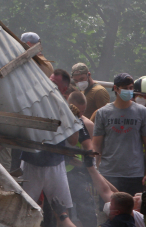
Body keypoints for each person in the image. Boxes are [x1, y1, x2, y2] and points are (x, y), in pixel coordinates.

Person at [20, 71, 80, 227]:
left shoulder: (66, 108)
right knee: (24, 209)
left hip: (55, 165)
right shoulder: (33, 100)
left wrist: (73, 118)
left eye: (54, 84)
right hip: (30, 163)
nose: (48, 86)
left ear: (64, 89)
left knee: (61, 211)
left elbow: (73, 141)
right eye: (49, 81)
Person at [93, 73, 146, 195]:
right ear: (116, 89)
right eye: (125, 88)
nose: (129, 91)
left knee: (133, 209)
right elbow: (96, 144)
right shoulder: (103, 113)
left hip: (134, 174)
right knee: (108, 209)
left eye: (131, 88)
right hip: (108, 173)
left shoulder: (142, 112)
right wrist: (94, 171)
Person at [65, 92, 97, 227]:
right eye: (77, 111)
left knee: (86, 209)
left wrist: (89, 170)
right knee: (61, 211)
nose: (80, 115)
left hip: (78, 172)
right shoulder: (59, 121)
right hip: (58, 170)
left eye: (83, 111)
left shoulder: (87, 125)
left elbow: (91, 150)